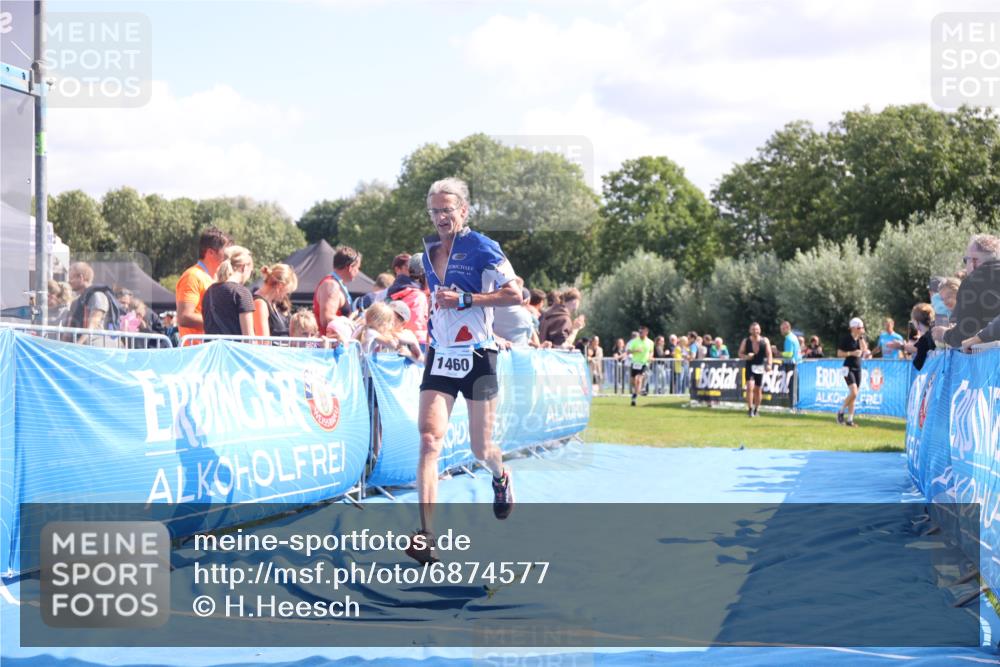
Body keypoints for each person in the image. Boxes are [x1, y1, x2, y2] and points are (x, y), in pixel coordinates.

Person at [407, 177, 522, 565]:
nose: (440, 217)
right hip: (440, 354)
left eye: (446, 209)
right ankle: (426, 536)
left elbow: (515, 293)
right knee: (428, 440)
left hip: (478, 355)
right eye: (433, 210)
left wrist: (467, 299)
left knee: (481, 447)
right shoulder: (427, 252)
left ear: (463, 210)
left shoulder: (483, 247)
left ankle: (500, 476)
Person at [936, 234, 1000, 349]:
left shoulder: (973, 281)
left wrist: (944, 334)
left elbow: (964, 336)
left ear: (974, 262)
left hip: (989, 360)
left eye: (966, 260)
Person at [176, 227, 232, 344]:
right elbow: (184, 317)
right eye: (225, 250)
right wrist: (220, 322)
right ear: (210, 252)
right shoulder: (192, 276)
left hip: (212, 350)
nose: (228, 255)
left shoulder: (216, 279)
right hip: (196, 353)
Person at [202, 246, 255, 336]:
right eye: (251, 271)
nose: (250, 275)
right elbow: (248, 336)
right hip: (234, 349)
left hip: (213, 349)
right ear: (244, 267)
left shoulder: (209, 292)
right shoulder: (242, 292)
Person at [67, 261, 118, 346]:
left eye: (71, 278)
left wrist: (77, 345)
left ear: (81, 277)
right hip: (81, 347)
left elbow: (92, 326)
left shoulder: (97, 296)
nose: (69, 281)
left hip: (96, 347)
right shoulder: (76, 302)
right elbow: (68, 331)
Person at [314, 245, 362, 335]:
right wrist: (348, 322)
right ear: (350, 267)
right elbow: (325, 319)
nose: (358, 271)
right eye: (358, 268)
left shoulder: (336, 284)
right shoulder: (331, 285)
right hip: (328, 345)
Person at [385, 253, 430, 348]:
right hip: (415, 345)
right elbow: (416, 327)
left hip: (394, 341)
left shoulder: (394, 291)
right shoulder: (418, 296)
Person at [836, 317, 868, 428]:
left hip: (858, 368)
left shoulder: (860, 338)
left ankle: (850, 420)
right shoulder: (846, 338)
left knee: (854, 396)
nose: (861, 330)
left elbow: (864, 349)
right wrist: (851, 353)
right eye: (859, 328)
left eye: (862, 328)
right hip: (848, 368)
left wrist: (861, 337)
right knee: (853, 392)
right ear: (853, 328)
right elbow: (839, 353)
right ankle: (840, 411)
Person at [253, 263, 297, 338]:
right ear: (280, 286)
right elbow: (263, 341)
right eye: (286, 292)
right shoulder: (260, 303)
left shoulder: (273, 303)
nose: (286, 295)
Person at [738, 322, 772, 418]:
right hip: (749, 366)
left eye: (757, 329)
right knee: (749, 387)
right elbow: (740, 353)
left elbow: (769, 354)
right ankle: (750, 409)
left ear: (760, 330)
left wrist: (769, 364)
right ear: (750, 330)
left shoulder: (765, 341)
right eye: (753, 329)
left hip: (760, 366)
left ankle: (757, 409)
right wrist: (746, 356)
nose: (755, 331)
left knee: (758, 389)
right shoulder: (746, 341)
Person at [494, 278, 539, 347]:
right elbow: (531, 339)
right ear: (519, 292)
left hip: (494, 352)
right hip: (518, 354)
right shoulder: (525, 314)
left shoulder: (490, 310)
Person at [626, 326, 654, 406]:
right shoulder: (634, 341)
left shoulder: (650, 342)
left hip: (644, 363)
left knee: (638, 379)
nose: (641, 334)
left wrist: (650, 357)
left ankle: (634, 397)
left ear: (646, 332)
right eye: (640, 332)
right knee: (633, 381)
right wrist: (635, 351)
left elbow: (651, 351)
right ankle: (636, 392)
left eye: (642, 332)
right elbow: (628, 351)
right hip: (634, 363)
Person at [903, 303, 936, 371]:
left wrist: (913, 349)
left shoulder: (924, 340)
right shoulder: (936, 333)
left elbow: (918, 364)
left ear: (916, 321)